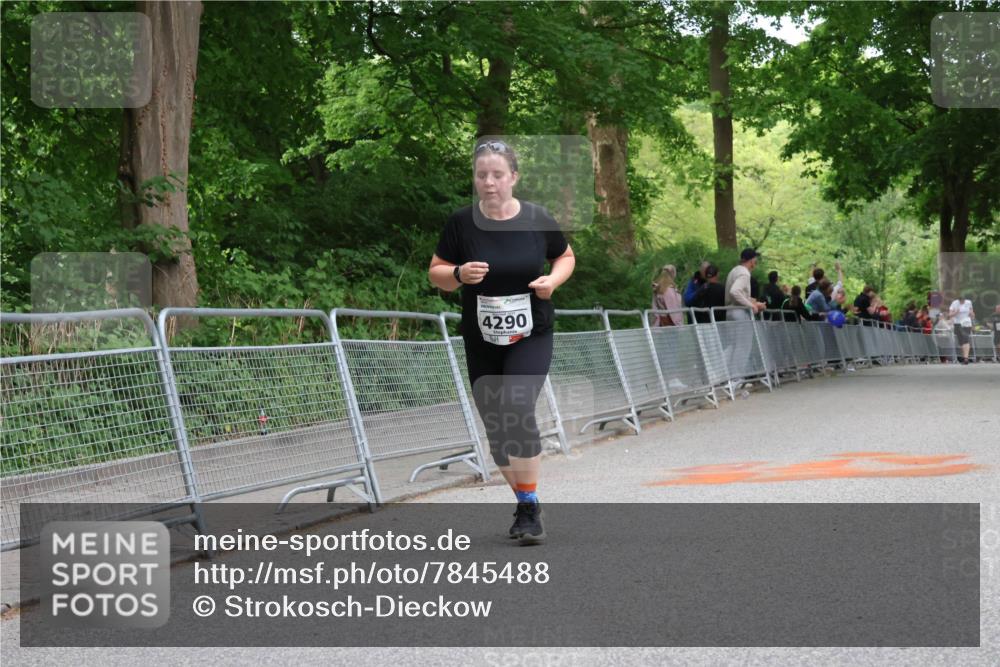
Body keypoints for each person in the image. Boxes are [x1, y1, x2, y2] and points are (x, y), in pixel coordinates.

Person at [429, 139, 575, 544]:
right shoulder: (461, 223)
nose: (489, 183)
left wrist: (552, 281)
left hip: (531, 333)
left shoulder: (536, 218)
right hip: (481, 337)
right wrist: (457, 273)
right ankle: (528, 500)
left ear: (514, 177)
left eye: (497, 174)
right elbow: (436, 273)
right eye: (481, 175)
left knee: (516, 404)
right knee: (497, 431)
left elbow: (565, 256)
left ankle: (527, 507)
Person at [724, 248, 767, 385]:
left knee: (733, 345)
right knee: (743, 345)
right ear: (752, 260)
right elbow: (735, 291)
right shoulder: (744, 273)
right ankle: (737, 377)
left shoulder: (734, 270)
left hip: (730, 311)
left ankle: (725, 375)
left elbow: (739, 294)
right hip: (739, 313)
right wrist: (752, 305)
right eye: (756, 259)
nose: (756, 262)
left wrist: (754, 302)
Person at [948, 295, 975, 364]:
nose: (962, 302)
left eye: (963, 300)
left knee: (966, 339)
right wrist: (956, 312)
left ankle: (966, 358)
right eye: (961, 301)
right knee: (962, 342)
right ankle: (964, 358)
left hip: (966, 323)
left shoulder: (968, 302)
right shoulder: (954, 303)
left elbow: (972, 312)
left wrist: (972, 316)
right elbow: (950, 315)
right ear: (958, 300)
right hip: (957, 323)